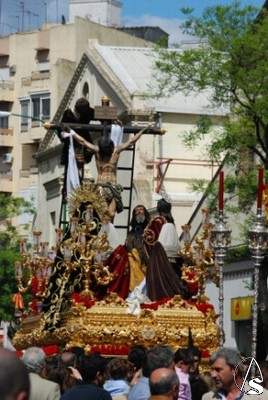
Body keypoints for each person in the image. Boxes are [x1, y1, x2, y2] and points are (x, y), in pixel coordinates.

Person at [68, 126, 147, 218]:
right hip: (101, 186)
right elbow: (83, 142)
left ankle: (108, 230)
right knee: (103, 212)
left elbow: (131, 141)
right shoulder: (97, 151)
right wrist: (70, 131)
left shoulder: (116, 151)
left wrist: (142, 131)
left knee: (112, 214)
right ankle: (102, 229)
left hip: (113, 186)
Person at [57, 97, 95, 199]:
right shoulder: (68, 114)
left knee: (90, 152)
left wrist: (112, 119)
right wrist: (65, 135)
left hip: (84, 142)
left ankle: (80, 188)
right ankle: (66, 190)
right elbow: (60, 130)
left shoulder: (88, 112)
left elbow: (100, 115)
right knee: (70, 167)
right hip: (71, 144)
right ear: (78, 109)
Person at [202, 348, 268, 400]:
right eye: (212, 370)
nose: (213, 375)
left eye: (218, 370)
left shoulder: (262, 397)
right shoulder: (208, 397)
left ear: (235, 370)